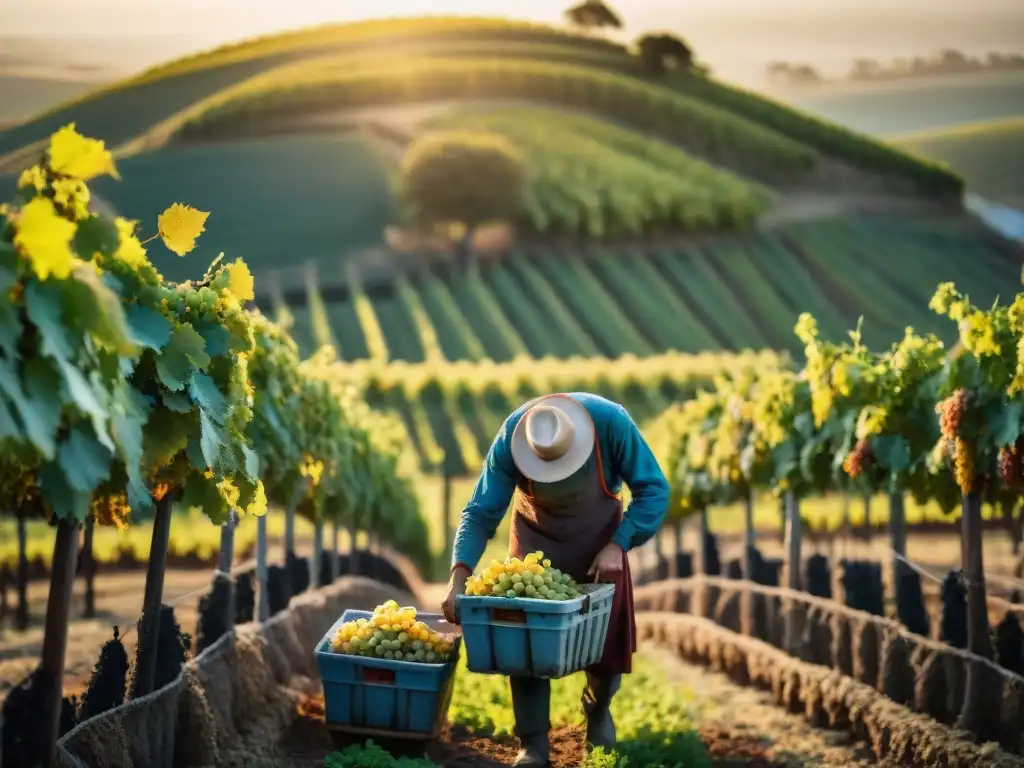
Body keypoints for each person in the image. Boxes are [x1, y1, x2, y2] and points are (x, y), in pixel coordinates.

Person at [440, 392, 669, 767]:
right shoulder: (515, 434)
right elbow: (480, 512)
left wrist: (619, 544)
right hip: (535, 547)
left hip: (600, 549)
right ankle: (532, 744)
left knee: (606, 643)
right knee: (522, 636)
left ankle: (599, 707)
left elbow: (654, 490)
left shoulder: (611, 423)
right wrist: (459, 573)